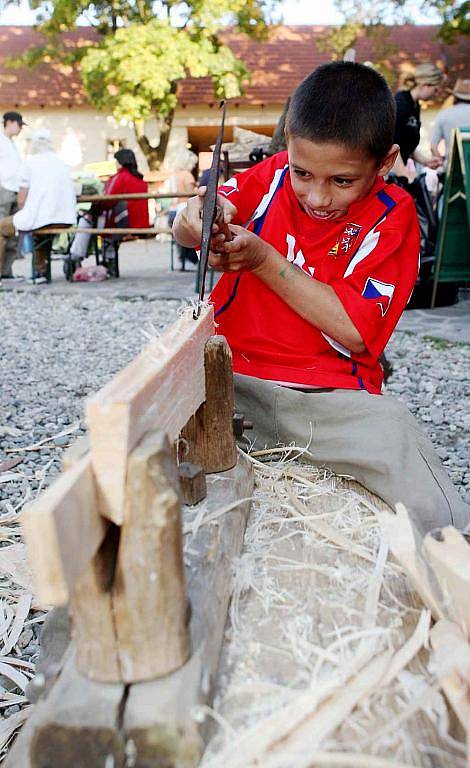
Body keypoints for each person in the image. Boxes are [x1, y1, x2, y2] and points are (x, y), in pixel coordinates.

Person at [174, 61, 469, 537]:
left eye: (342, 180)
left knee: (396, 436)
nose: (316, 196)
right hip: (231, 381)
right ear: (287, 148)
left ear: (385, 162)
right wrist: (195, 221)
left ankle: (454, 554)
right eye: (303, 172)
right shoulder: (270, 178)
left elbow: (354, 331)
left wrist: (262, 259)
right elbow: (196, 219)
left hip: (326, 401)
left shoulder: (393, 219)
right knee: (137, 435)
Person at [0, 127, 76, 284]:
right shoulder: (62, 163)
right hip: (65, 218)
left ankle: (3, 273)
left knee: (2, 227)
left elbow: (21, 199)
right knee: (42, 233)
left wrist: (23, 213)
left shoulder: (30, 162)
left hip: (41, 218)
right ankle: (40, 272)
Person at [69, 148, 149, 266]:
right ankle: (108, 257)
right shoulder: (140, 179)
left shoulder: (120, 177)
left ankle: (76, 255)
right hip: (138, 222)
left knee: (86, 221)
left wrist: (92, 211)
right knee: (95, 220)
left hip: (122, 222)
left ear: (121, 162)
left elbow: (108, 201)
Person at [392, 63, 444, 182]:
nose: (435, 95)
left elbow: (406, 144)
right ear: (426, 85)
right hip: (390, 172)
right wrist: (404, 173)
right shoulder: (400, 104)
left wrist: (426, 161)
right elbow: (390, 142)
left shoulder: (415, 105)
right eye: (435, 90)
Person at [0, 111, 26, 279]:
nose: (20, 129)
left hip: (16, 190)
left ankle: (6, 269)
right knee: (1, 230)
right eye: (19, 124)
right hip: (4, 189)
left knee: (14, 232)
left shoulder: (12, 144)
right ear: (9, 123)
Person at [431, 78, 470, 166]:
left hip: (453, 169)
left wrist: (443, 163)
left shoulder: (444, 114)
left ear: (455, 96)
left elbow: (433, 147)